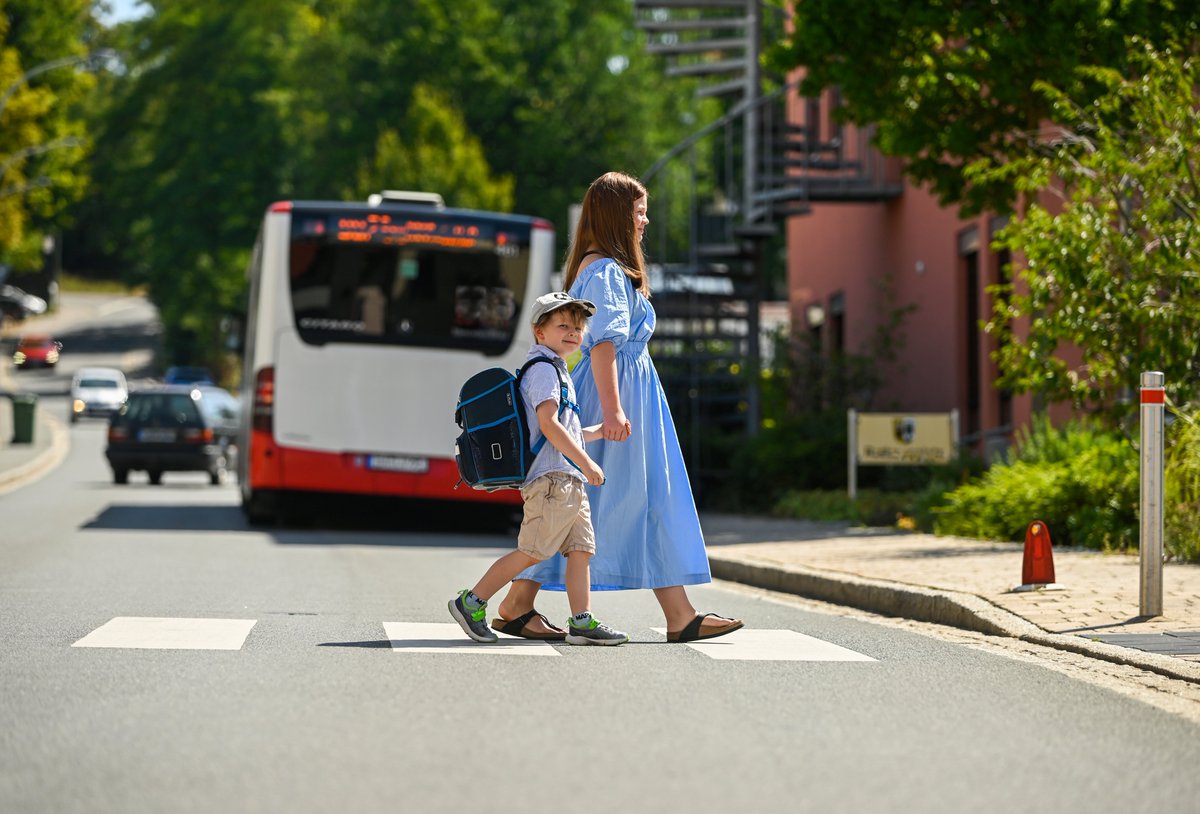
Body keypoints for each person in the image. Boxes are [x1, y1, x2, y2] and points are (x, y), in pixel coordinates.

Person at [494, 171, 744, 644]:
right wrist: (612, 411)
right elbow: (604, 346)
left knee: (638, 498)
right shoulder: (606, 269)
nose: (645, 220)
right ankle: (515, 603)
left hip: (630, 395)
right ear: (615, 216)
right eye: (638, 211)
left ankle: (676, 613)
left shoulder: (602, 267)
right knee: (584, 502)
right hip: (617, 396)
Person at [448, 292, 630, 646]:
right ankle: (471, 602)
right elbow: (548, 425)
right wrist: (587, 462)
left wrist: (602, 431)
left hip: (568, 479)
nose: (573, 332)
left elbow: (567, 430)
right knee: (533, 551)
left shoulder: (559, 370)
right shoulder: (543, 370)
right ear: (539, 331)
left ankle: (581, 622)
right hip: (551, 481)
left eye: (578, 327)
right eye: (562, 325)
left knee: (581, 550)